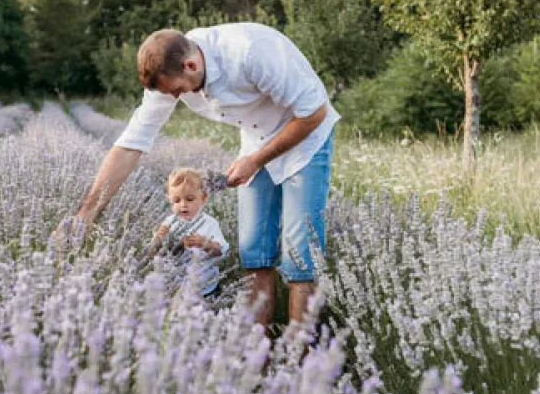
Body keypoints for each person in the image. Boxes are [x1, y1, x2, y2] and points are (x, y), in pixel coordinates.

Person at [62, 22, 338, 334]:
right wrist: (86, 214)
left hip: (307, 138)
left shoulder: (249, 52)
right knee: (254, 254)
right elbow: (130, 145)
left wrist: (256, 160)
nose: (176, 97)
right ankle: (256, 362)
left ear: (191, 64)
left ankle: (302, 365)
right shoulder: (169, 72)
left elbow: (313, 113)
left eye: (178, 90)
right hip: (257, 140)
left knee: (299, 259)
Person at [147, 167, 228, 297]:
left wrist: (206, 244)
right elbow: (153, 252)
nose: (183, 205)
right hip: (176, 287)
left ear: (202, 198)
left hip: (205, 287)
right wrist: (158, 238)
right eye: (177, 200)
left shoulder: (209, 223)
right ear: (170, 201)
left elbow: (221, 251)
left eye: (189, 199)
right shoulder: (169, 222)